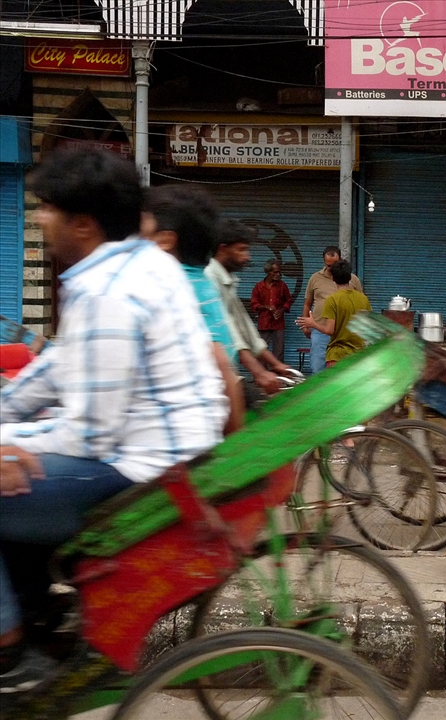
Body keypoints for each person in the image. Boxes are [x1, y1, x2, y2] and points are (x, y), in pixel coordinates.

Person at [0, 147, 227, 692]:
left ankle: (9, 653)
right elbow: (57, 368)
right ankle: (37, 614)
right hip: (165, 450)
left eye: (47, 208)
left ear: (83, 223)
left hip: (142, 468)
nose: (38, 218)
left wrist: (8, 442)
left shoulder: (107, 294)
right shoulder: (139, 263)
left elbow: (87, 435)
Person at [141, 184, 245, 434]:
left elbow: (220, 362)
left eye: (141, 228)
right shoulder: (203, 283)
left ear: (164, 240)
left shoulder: (170, 289)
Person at [206, 219, 294, 398]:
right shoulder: (209, 278)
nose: (247, 257)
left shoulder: (227, 279)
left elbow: (244, 325)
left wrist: (275, 363)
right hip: (209, 377)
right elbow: (230, 331)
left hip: (224, 372)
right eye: (241, 249)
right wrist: (259, 372)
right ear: (223, 248)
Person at [295, 259, 371, 367]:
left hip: (337, 355)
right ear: (350, 277)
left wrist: (312, 324)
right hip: (358, 356)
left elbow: (329, 330)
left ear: (333, 278)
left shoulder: (332, 300)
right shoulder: (363, 299)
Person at [251, 260, 292, 360]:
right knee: (261, 351)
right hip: (264, 323)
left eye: (279, 272)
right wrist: (266, 307)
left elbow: (289, 300)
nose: (278, 274)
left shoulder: (282, 286)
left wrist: (282, 310)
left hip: (278, 324)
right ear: (268, 272)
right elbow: (254, 304)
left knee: (279, 352)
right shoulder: (259, 287)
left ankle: (278, 374)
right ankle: (262, 374)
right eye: (275, 272)